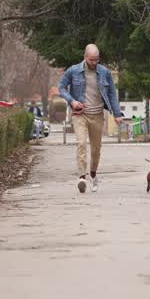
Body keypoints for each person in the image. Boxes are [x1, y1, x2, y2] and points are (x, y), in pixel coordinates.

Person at [58, 44, 123, 193]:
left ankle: (93, 174)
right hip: (80, 114)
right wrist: (72, 101)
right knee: (81, 143)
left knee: (96, 149)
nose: (94, 63)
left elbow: (112, 94)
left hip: (98, 115)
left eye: (97, 60)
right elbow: (61, 87)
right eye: (92, 60)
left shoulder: (104, 72)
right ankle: (82, 177)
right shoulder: (73, 70)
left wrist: (117, 114)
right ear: (85, 57)